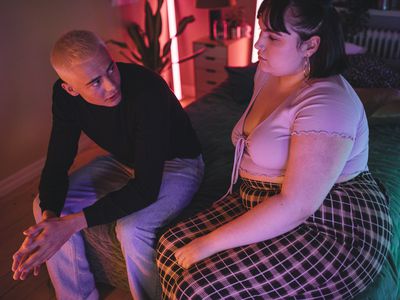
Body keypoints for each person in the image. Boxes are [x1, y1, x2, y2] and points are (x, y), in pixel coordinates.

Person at [156, 0, 392, 299]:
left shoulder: (329, 102)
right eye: (261, 32)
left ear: (311, 45)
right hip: (261, 199)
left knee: (199, 288)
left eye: (273, 37)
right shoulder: (266, 74)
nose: (258, 44)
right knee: (169, 249)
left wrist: (208, 244)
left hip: (330, 222)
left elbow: (297, 205)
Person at [11, 30, 204, 300]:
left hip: (178, 163)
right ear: (70, 88)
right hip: (124, 161)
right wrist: (50, 222)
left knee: (132, 229)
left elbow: (146, 188)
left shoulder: (147, 90)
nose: (112, 86)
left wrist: (71, 224)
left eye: (111, 68)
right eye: (95, 82)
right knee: (43, 204)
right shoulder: (64, 97)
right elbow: (57, 160)